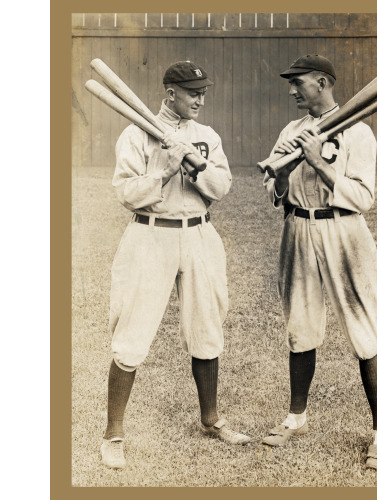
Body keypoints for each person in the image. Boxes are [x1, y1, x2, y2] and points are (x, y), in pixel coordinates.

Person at [100, 61, 251, 470]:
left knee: (207, 327)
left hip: (200, 232)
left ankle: (211, 419)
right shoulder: (136, 133)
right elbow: (126, 193)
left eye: (203, 91)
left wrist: (194, 165)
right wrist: (164, 172)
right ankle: (113, 433)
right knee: (132, 333)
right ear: (170, 93)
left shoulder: (207, 136)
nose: (200, 99)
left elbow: (221, 187)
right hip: (150, 234)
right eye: (191, 92)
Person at [262, 54, 377, 470]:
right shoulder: (292, 130)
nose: (292, 91)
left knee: (363, 331)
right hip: (298, 228)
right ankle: (296, 418)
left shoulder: (358, 131)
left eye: (298, 83)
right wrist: (283, 173)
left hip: (344, 232)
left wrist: (317, 161)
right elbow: (274, 189)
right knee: (300, 326)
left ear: (322, 82)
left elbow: (364, 197)